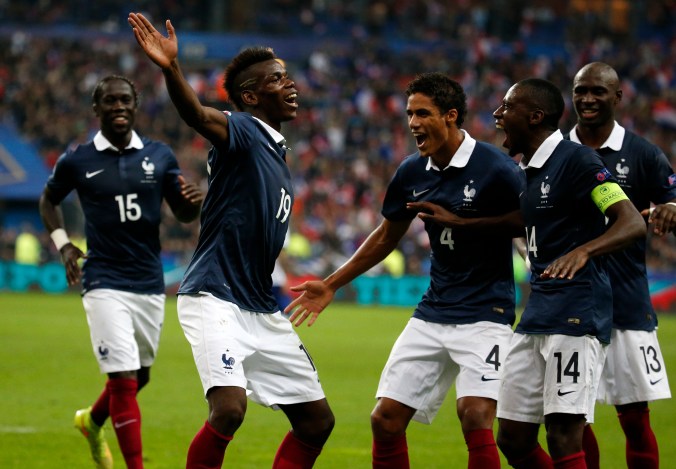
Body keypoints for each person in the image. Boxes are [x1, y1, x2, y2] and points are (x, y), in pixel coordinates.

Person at [286, 72, 526, 469]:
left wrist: (474, 227)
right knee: (385, 419)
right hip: (433, 312)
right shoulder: (411, 172)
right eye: (409, 113)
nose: (412, 122)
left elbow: (530, 220)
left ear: (451, 116)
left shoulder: (495, 168)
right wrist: (330, 284)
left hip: (487, 314)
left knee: (475, 416)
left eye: (422, 113)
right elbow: (385, 236)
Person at [127, 12, 335, 469]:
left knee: (317, 421)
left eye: (288, 76)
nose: (291, 84)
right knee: (228, 409)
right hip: (214, 296)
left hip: (260, 305)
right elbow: (198, 115)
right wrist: (171, 68)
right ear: (250, 96)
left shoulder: (277, 154)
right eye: (278, 79)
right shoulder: (244, 130)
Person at [39, 75, 203, 469]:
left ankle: (91, 422)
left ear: (135, 105)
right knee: (124, 379)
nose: (118, 107)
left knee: (138, 376)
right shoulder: (78, 159)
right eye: (109, 101)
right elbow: (49, 199)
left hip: (148, 280)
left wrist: (191, 205)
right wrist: (63, 244)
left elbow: (181, 213)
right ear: (96, 109)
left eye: (125, 100)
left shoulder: (159, 155)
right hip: (103, 280)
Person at [491, 77, 646, 469]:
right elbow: (523, 222)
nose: (497, 115)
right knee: (511, 436)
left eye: (506, 108)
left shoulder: (578, 161)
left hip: (578, 311)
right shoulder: (528, 169)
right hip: (539, 311)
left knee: (563, 432)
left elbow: (630, 222)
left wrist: (584, 250)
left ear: (535, 116)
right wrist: (459, 222)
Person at [567, 62, 675, 469]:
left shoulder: (644, 154)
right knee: (572, 417)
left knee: (633, 418)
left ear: (617, 97)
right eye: (580, 90)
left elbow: (673, 203)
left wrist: (671, 208)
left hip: (626, 299)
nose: (588, 99)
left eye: (598, 91)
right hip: (570, 300)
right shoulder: (553, 148)